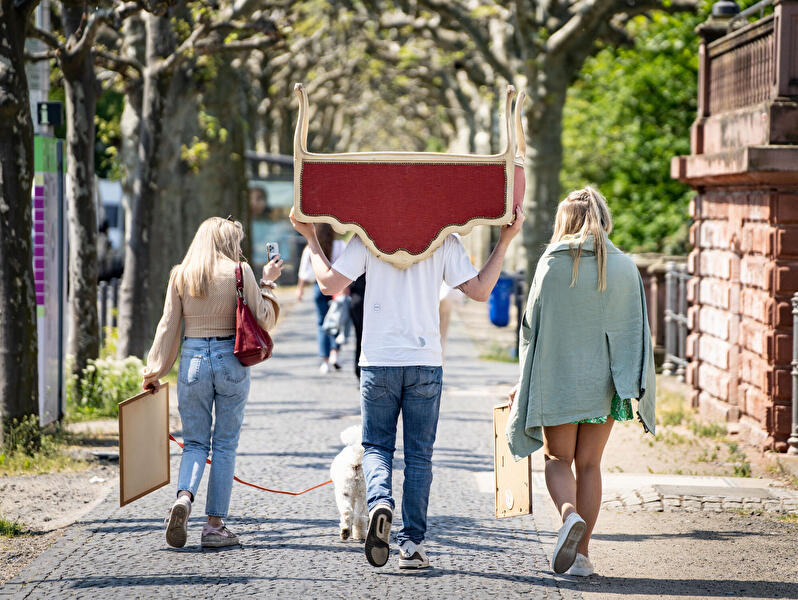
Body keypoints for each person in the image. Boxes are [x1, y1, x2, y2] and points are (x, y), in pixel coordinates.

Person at [290, 205, 524, 570]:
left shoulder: (368, 236)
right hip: (425, 360)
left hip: (378, 361)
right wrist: (506, 238)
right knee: (419, 457)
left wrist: (309, 237)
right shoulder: (443, 238)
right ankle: (412, 545)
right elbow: (479, 291)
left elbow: (328, 284)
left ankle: (380, 501)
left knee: (377, 446)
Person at [505, 187, 656, 576]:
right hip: (606, 388)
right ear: (604, 219)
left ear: (563, 222)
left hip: (557, 380)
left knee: (558, 460)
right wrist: (638, 388)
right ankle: (582, 557)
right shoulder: (623, 265)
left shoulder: (551, 264)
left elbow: (531, 330)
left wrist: (524, 382)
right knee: (590, 465)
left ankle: (568, 515)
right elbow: (638, 331)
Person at [141, 216, 282, 549]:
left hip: (192, 360)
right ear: (228, 241)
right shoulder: (240, 271)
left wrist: (154, 372)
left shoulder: (181, 274)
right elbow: (265, 318)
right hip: (230, 358)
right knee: (224, 443)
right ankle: (214, 526)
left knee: (194, 442)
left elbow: (167, 326)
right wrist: (269, 283)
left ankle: (184, 498)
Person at [296, 223, 346, 373]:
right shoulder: (339, 245)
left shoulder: (311, 248)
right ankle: (334, 353)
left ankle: (325, 361)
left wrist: (300, 290)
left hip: (319, 287)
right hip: (337, 288)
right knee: (336, 320)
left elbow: (303, 272)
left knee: (321, 323)